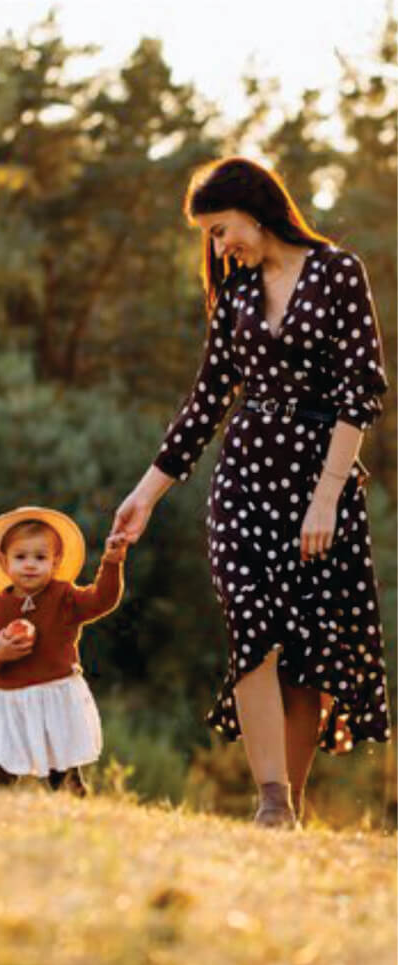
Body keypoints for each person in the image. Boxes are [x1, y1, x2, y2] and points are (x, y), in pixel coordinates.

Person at [111, 157, 390, 827]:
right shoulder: (236, 296)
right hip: (244, 478)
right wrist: (147, 493)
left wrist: (327, 496)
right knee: (251, 626)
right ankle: (270, 801)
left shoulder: (337, 273)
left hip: (319, 477)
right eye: (209, 235)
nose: (217, 246)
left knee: (308, 647)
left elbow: (363, 390)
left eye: (220, 228)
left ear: (256, 210)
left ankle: (287, 811)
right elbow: (207, 401)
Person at [0, 507, 127, 794]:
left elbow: (102, 600)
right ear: (4, 562)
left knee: (63, 768)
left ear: (55, 562)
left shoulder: (65, 597)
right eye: (21, 557)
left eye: (40, 557)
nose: (30, 565)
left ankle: (73, 802)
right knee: (1, 767)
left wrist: (112, 562)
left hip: (57, 696)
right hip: (10, 702)